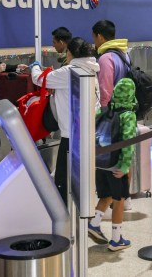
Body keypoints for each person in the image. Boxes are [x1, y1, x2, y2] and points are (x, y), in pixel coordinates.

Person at [29, 37, 100, 204]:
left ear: (71, 53)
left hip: (71, 135)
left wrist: (35, 67)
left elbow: (39, 79)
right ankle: (80, 214)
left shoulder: (70, 71)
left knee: (63, 178)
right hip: (88, 131)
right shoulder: (91, 69)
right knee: (81, 177)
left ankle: (66, 217)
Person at [88, 78, 137, 251]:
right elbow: (127, 143)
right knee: (119, 200)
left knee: (105, 196)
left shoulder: (104, 111)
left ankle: (94, 224)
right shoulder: (128, 115)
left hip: (100, 162)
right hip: (116, 166)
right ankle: (117, 239)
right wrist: (124, 167)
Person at [92, 19, 134, 210]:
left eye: (94, 38)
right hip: (128, 110)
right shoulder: (124, 54)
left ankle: (115, 198)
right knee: (126, 152)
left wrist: (103, 114)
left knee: (111, 157)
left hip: (113, 114)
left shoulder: (105, 58)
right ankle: (125, 198)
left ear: (100, 36)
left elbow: (105, 89)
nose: (94, 42)